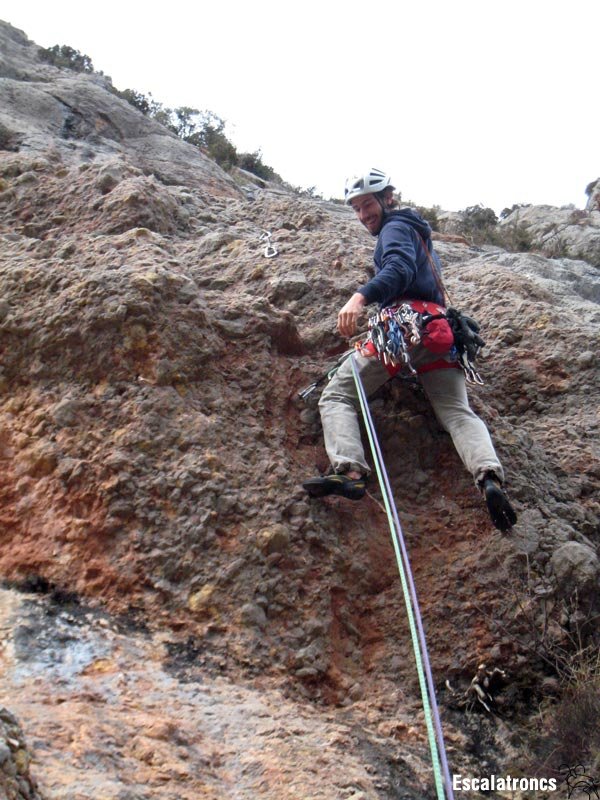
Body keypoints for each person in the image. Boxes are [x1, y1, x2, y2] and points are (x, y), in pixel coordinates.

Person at [302, 168, 517, 532]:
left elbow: (398, 269)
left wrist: (359, 297)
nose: (363, 214)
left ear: (388, 198)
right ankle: (489, 477)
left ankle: (350, 471)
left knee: (337, 395)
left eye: (367, 203)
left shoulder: (395, 229)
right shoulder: (418, 232)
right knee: (457, 413)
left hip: (403, 329)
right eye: (356, 208)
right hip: (438, 333)